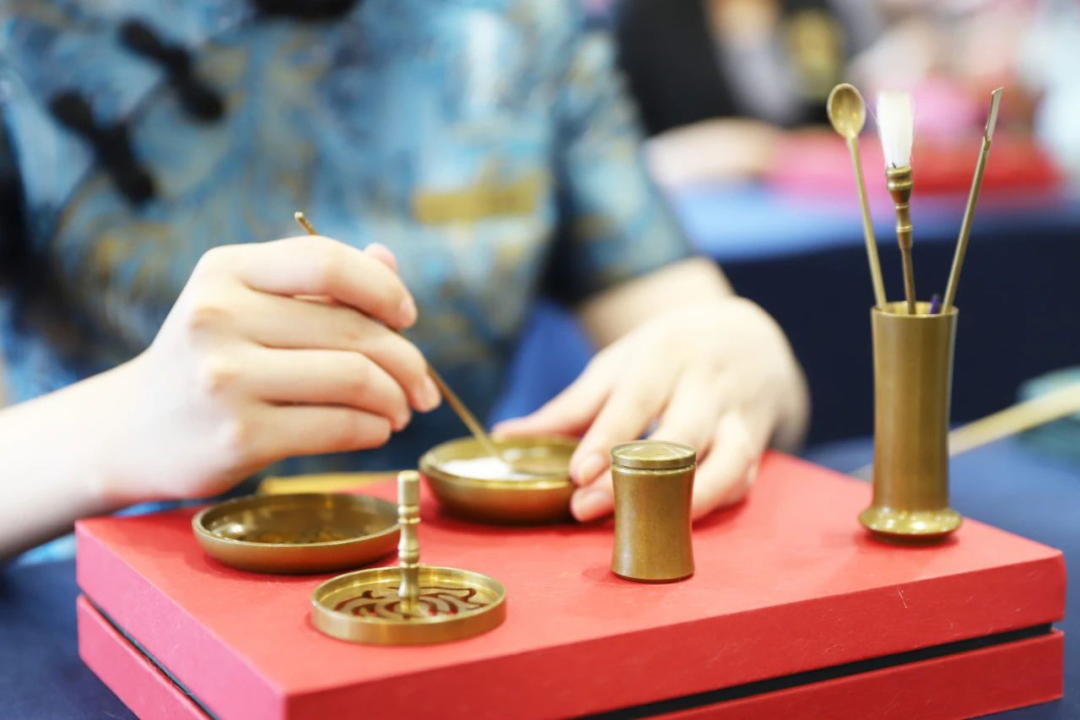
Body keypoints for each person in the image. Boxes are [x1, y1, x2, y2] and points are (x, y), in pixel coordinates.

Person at [0, 0, 807, 560]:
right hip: (89, 623)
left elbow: (688, 333)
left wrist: (744, 350)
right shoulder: (26, 38)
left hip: (451, 601)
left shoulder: (520, 32)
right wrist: (119, 426)